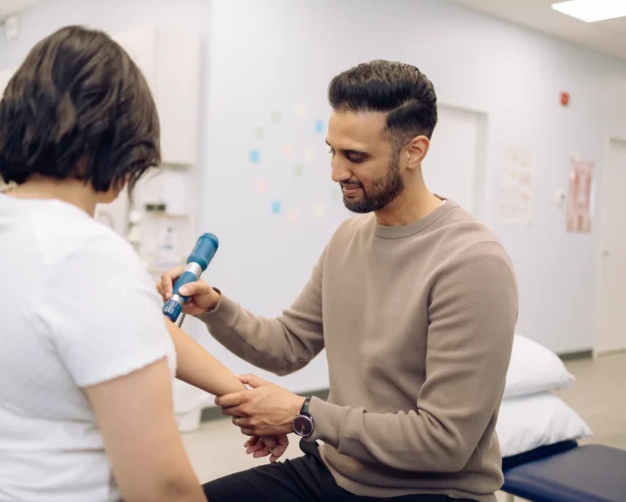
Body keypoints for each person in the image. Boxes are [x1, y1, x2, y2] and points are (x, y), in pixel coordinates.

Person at [0, 25, 286, 502]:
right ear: (119, 141)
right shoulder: (85, 255)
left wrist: (235, 391)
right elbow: (162, 486)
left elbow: (141, 330)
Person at [157, 60, 518, 502]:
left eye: (356, 157)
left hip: (430, 491)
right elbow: (288, 346)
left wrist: (302, 415)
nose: (335, 172)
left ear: (415, 151)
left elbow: (444, 441)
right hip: (333, 471)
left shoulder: (472, 262)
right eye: (332, 150)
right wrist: (214, 306)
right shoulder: (350, 237)